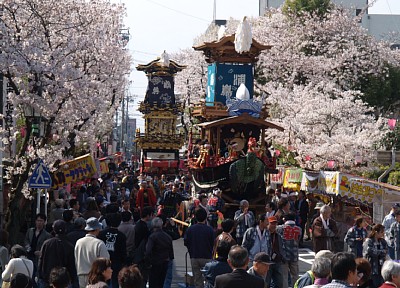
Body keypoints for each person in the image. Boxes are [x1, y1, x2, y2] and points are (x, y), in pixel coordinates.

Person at [38, 220, 76, 288]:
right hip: (63, 281)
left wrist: (40, 276)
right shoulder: (69, 246)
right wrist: (72, 279)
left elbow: (41, 261)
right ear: (65, 229)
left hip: (47, 279)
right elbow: (72, 266)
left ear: (54, 230)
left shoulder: (47, 243)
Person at [74, 217, 110, 288]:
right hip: (95, 276)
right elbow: (105, 261)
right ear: (97, 229)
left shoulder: (79, 242)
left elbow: (76, 259)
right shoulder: (99, 243)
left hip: (80, 275)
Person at [184, 208, 214, 288]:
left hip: (194, 256)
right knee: (208, 280)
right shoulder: (210, 229)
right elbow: (213, 243)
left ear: (195, 217)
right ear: (205, 217)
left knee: (197, 280)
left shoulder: (190, 229)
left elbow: (186, 242)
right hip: (207, 256)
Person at [98, 213, 127, 288]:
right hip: (117, 262)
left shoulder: (101, 233)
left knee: (103, 281)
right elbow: (123, 251)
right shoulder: (122, 236)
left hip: (103, 261)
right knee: (115, 282)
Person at [144, 217, 174, 288]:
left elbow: (148, 251)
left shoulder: (152, 237)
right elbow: (170, 251)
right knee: (161, 282)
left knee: (153, 283)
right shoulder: (167, 236)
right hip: (165, 261)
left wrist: (147, 262)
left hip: (155, 262)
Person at [277, 212, 302, 286]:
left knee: (284, 276)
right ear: (294, 219)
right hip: (294, 254)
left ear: (284, 219)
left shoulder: (280, 228)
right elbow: (299, 240)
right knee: (295, 276)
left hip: (284, 255)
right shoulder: (299, 229)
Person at [24, 213, 51, 280]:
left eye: (41, 221)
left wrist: (41, 252)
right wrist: (28, 248)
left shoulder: (47, 235)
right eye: (38, 220)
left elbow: (46, 246)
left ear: (44, 222)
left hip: (38, 258)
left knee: (36, 275)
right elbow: (26, 241)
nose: (39, 222)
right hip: (29, 255)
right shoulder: (30, 231)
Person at [265, 216, 286, 288]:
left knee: (279, 283)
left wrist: (283, 257)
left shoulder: (278, 236)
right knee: (266, 283)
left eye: (275, 223)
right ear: (268, 224)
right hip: (267, 262)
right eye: (272, 223)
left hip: (277, 261)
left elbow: (282, 247)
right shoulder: (264, 235)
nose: (274, 225)